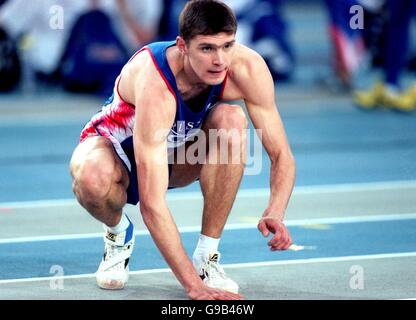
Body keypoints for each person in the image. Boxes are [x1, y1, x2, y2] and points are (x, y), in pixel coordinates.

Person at [70, 0, 295, 300]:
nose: (220, 60)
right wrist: (193, 287)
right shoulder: (156, 82)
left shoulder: (247, 68)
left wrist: (276, 212)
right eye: (207, 48)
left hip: (176, 152)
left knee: (231, 121)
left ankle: (208, 256)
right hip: (116, 149)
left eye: (227, 46)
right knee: (91, 178)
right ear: (183, 46)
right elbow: (152, 204)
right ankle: (117, 233)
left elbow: (281, 155)